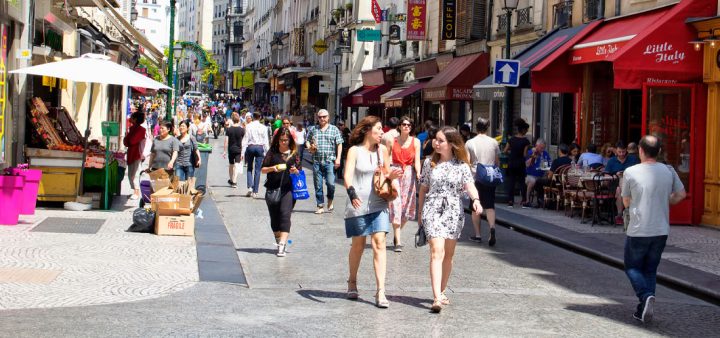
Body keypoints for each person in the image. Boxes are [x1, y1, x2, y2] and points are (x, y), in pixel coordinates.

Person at [621, 135, 686, 323]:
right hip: (661, 229)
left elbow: (626, 202)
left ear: (640, 151)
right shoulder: (668, 170)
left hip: (639, 228)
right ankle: (644, 310)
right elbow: (681, 194)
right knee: (650, 269)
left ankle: (645, 295)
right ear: (659, 152)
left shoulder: (630, 172)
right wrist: (666, 201)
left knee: (632, 266)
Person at [418, 126, 483, 313]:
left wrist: (476, 200)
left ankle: (442, 289)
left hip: (454, 211)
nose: (435, 143)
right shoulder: (429, 163)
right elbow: (423, 189)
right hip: (433, 209)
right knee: (436, 251)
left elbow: (469, 185)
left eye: (440, 140)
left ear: (451, 144)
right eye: (435, 140)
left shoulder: (462, 166)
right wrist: (420, 215)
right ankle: (436, 297)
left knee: (448, 254)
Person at [343, 116, 402, 308]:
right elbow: (347, 175)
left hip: (378, 203)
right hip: (358, 203)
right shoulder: (354, 151)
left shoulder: (382, 150)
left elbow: (385, 173)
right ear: (368, 130)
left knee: (379, 243)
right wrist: (351, 192)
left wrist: (391, 175)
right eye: (378, 129)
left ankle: (380, 291)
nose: (382, 133)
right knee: (358, 245)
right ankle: (352, 281)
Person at [261, 127, 302, 257]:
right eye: (282, 140)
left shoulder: (294, 153)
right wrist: (273, 168)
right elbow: (263, 169)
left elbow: (300, 171)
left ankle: (282, 245)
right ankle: (278, 240)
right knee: (274, 219)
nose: (284, 142)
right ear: (277, 140)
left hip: (288, 189)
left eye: (286, 140)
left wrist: (295, 171)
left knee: (285, 214)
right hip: (272, 188)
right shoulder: (272, 152)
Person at [386, 116, 421, 252]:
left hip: (409, 175)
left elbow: (417, 160)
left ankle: (397, 233)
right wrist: (388, 173)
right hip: (395, 173)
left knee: (407, 209)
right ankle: (398, 242)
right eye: (404, 124)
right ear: (399, 126)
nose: (406, 127)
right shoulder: (391, 140)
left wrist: (418, 173)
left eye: (409, 125)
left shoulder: (416, 141)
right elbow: (387, 158)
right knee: (396, 205)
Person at [465, 117, 500, 246]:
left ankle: (478, 234)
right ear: (487, 128)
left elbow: (467, 162)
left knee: (475, 205)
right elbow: (497, 161)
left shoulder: (470, 142)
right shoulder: (494, 142)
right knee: (490, 205)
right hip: (490, 177)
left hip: (476, 177)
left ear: (476, 127)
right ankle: (492, 228)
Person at [306, 109, 344, 214]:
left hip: (329, 161)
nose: (322, 119)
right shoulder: (314, 129)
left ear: (328, 118)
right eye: (320, 117)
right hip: (317, 161)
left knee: (331, 183)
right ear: (317, 118)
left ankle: (330, 200)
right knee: (318, 184)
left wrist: (338, 158)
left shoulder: (334, 129)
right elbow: (307, 140)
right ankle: (320, 205)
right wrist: (310, 147)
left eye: (324, 116)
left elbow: (339, 144)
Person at [606, 141, 640, 225]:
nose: (621, 154)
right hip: (614, 184)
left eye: (623, 152)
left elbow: (639, 171)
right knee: (618, 188)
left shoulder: (633, 159)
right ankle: (621, 214)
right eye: (619, 152)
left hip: (631, 184)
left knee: (620, 188)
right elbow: (606, 174)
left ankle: (620, 215)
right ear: (616, 151)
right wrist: (614, 175)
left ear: (627, 151)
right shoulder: (611, 161)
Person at [241, 112, 270, 198]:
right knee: (257, 170)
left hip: (250, 147)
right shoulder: (264, 127)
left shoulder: (248, 126)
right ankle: (255, 191)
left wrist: (242, 152)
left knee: (249, 168)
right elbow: (266, 141)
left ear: (253, 117)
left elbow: (245, 139)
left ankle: (250, 186)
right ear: (260, 117)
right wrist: (267, 152)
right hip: (260, 147)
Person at [504, 119, 531, 207]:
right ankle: (523, 201)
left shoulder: (511, 139)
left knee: (511, 182)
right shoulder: (526, 141)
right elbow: (524, 154)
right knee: (522, 182)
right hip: (520, 163)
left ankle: (510, 201)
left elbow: (505, 151)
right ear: (523, 130)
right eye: (526, 130)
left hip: (512, 162)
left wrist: (512, 153)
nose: (526, 131)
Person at [523, 139, 552, 208]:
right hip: (530, 175)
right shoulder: (530, 152)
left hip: (541, 176)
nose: (542, 149)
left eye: (543, 148)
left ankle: (541, 201)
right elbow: (526, 165)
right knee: (532, 181)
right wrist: (533, 156)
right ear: (536, 146)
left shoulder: (545, 154)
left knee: (547, 181)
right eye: (541, 148)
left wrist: (547, 169)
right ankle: (527, 201)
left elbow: (549, 165)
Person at [124, 112, 146, 200]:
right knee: (130, 174)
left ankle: (136, 192)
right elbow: (126, 142)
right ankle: (134, 191)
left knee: (135, 174)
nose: (130, 119)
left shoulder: (141, 130)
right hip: (131, 153)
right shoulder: (132, 128)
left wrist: (128, 139)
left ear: (135, 119)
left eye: (132, 117)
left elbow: (131, 141)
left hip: (137, 154)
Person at [224, 113, 245, 188]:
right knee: (237, 164)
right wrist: (243, 151)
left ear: (232, 120)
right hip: (239, 149)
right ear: (238, 120)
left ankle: (231, 179)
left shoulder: (229, 129)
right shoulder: (242, 130)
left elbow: (226, 141)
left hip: (231, 149)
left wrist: (224, 151)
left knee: (231, 164)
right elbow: (243, 141)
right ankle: (234, 181)